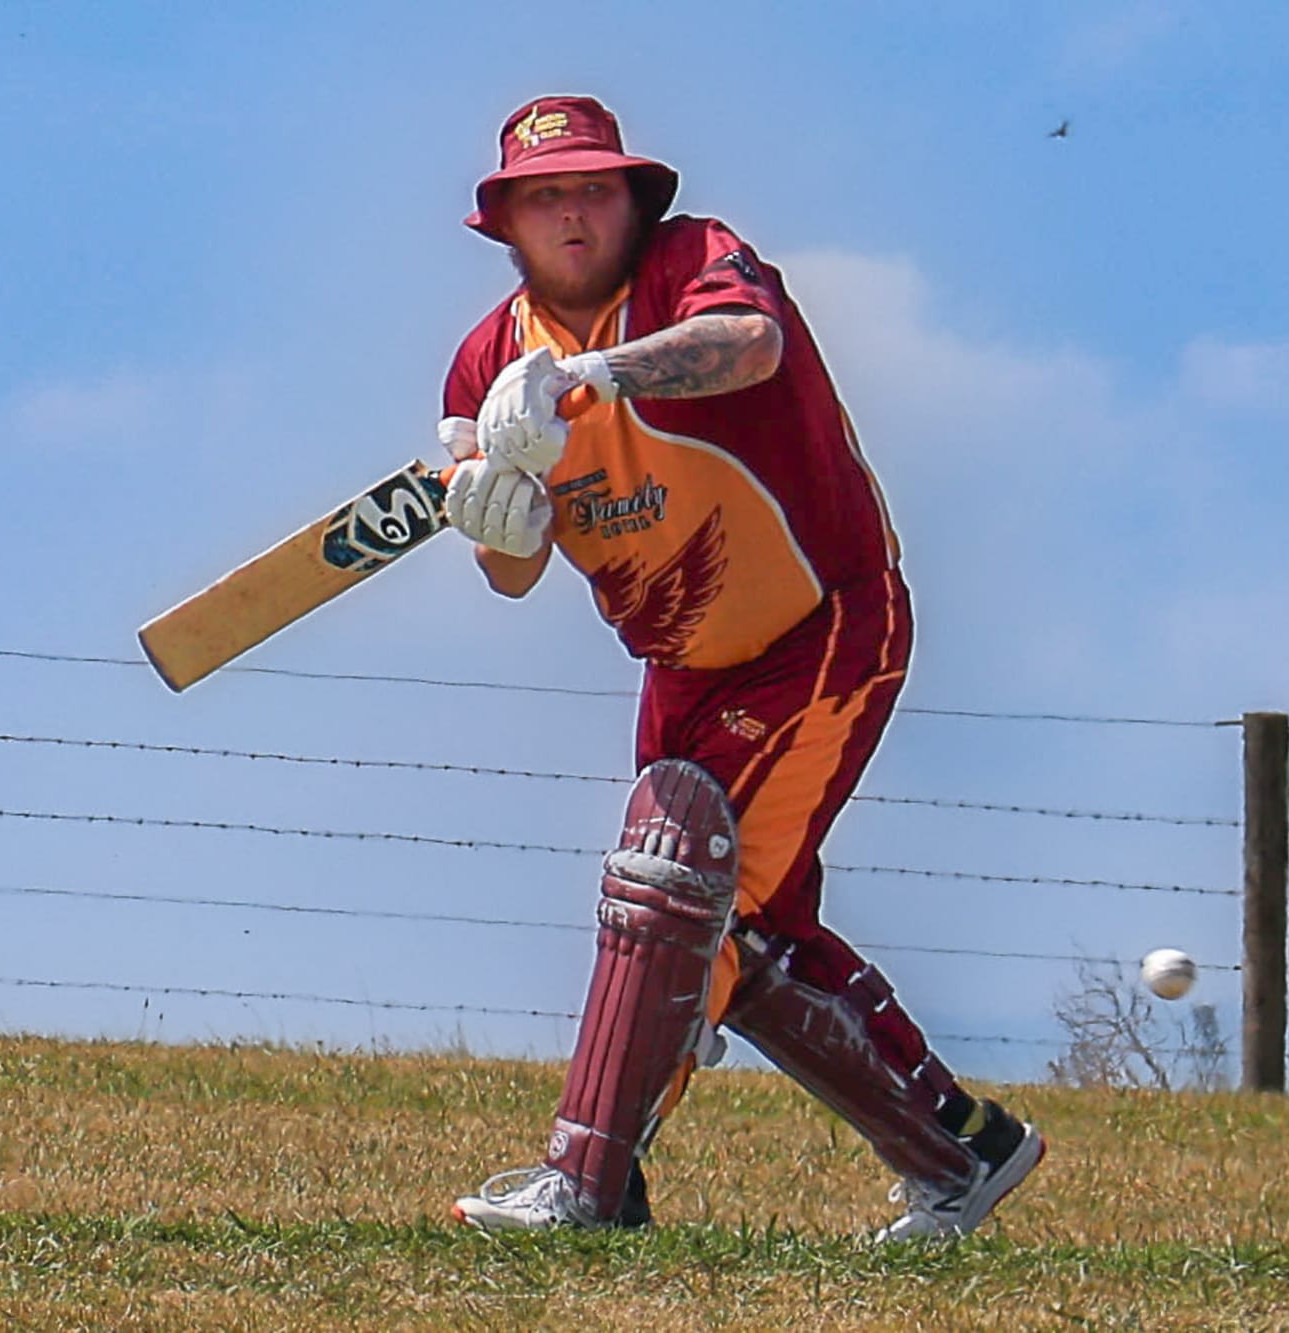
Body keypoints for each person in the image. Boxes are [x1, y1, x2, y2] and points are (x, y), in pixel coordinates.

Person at [439, 95, 1043, 1242]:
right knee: (741, 929)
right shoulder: (485, 358)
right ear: (505, 221)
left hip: (820, 625)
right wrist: (500, 519)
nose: (570, 211)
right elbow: (506, 573)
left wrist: (599, 376)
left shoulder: (692, 262)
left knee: (675, 869)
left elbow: (749, 345)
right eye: (543, 195)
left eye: (592, 188)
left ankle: (588, 1184)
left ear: (632, 201)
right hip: (679, 661)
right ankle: (961, 1152)